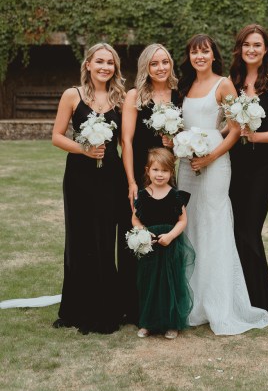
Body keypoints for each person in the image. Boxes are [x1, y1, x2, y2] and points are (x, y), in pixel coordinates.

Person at [177, 33, 268, 335]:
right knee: (190, 224)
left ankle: (218, 303)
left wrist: (209, 157)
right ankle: (192, 300)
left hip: (215, 164)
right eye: (194, 52)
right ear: (189, 57)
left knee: (214, 225)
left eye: (204, 52)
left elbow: (234, 130)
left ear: (214, 55)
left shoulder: (224, 84)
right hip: (186, 165)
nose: (199, 57)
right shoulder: (185, 85)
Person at [52, 42, 126, 334]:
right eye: (100, 61)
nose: (105, 67)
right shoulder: (73, 95)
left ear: (115, 69)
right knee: (80, 238)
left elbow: (125, 143)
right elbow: (57, 136)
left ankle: (106, 306)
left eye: (110, 63)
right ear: (88, 65)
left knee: (104, 239)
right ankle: (77, 307)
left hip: (110, 176)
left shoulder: (120, 99)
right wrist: (84, 149)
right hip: (79, 176)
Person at [229, 24, 268, 315]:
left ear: (266, 49)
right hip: (232, 164)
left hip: (262, 166)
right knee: (233, 228)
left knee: (249, 229)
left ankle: (261, 299)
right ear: (239, 49)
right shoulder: (232, 80)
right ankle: (241, 295)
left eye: (257, 45)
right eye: (246, 45)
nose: (251, 50)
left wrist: (254, 136)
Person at [120, 44, 178, 323]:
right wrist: (131, 181)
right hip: (141, 175)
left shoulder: (180, 95)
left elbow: (187, 136)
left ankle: (164, 302)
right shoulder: (135, 96)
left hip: (167, 176)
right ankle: (133, 305)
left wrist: (173, 141)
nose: (160, 68)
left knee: (165, 237)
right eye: (154, 63)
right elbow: (126, 141)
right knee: (137, 234)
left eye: (165, 62)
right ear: (146, 67)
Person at [132, 148, 195, 339]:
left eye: (165, 171)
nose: (160, 175)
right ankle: (147, 323)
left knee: (170, 283)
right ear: (147, 170)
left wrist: (170, 236)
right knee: (149, 284)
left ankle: (171, 323)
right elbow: (135, 220)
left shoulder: (176, 195)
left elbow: (182, 221)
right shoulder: (142, 195)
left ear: (171, 172)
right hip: (150, 248)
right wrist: (143, 233)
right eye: (156, 170)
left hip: (170, 246)